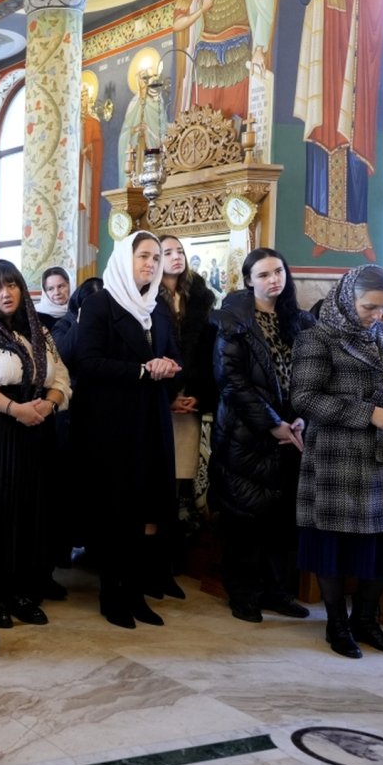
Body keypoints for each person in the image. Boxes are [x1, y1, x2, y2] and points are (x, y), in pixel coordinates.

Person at [292, 265, 383, 659]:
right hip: (338, 459)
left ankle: (366, 621)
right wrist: (365, 413)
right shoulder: (317, 338)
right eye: (369, 307)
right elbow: (304, 398)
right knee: (334, 545)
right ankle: (337, 626)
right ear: (348, 298)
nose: (377, 315)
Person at [70, 231, 181, 629]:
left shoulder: (157, 307)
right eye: (144, 256)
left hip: (151, 418)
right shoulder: (101, 304)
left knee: (147, 509)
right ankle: (111, 595)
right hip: (111, 423)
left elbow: (172, 355)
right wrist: (141, 370)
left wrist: (168, 368)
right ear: (125, 259)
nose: (151, 264)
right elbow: (88, 362)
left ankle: (135, 592)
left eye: (156, 258)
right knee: (116, 511)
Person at [0, 259, 72, 628]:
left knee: (29, 511)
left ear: (22, 289)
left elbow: (62, 376)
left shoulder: (40, 331)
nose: (6, 293)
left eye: (12, 285)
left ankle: (22, 591)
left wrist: (48, 404)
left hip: (35, 427)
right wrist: (15, 409)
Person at [210, 248, 314, 624]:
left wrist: (299, 418)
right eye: (265, 274)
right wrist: (273, 424)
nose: (274, 279)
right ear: (249, 279)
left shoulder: (300, 322)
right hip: (245, 435)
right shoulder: (233, 321)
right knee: (246, 518)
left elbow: (310, 377)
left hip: (292, 434)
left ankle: (277, 591)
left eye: (279, 272)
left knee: (282, 520)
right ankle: (243, 594)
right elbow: (232, 382)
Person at [158, 234, 218, 590]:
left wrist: (197, 393)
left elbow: (209, 351)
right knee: (160, 477)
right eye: (167, 253)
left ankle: (181, 550)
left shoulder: (202, 297)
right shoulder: (147, 298)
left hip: (192, 398)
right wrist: (167, 396)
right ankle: (160, 554)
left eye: (179, 251)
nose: (175, 257)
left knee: (185, 476)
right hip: (160, 398)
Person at [35, 267, 72, 334]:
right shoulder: (35, 315)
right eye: (50, 289)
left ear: (70, 286)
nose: (57, 292)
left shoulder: (79, 311)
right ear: (45, 292)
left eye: (61, 286)